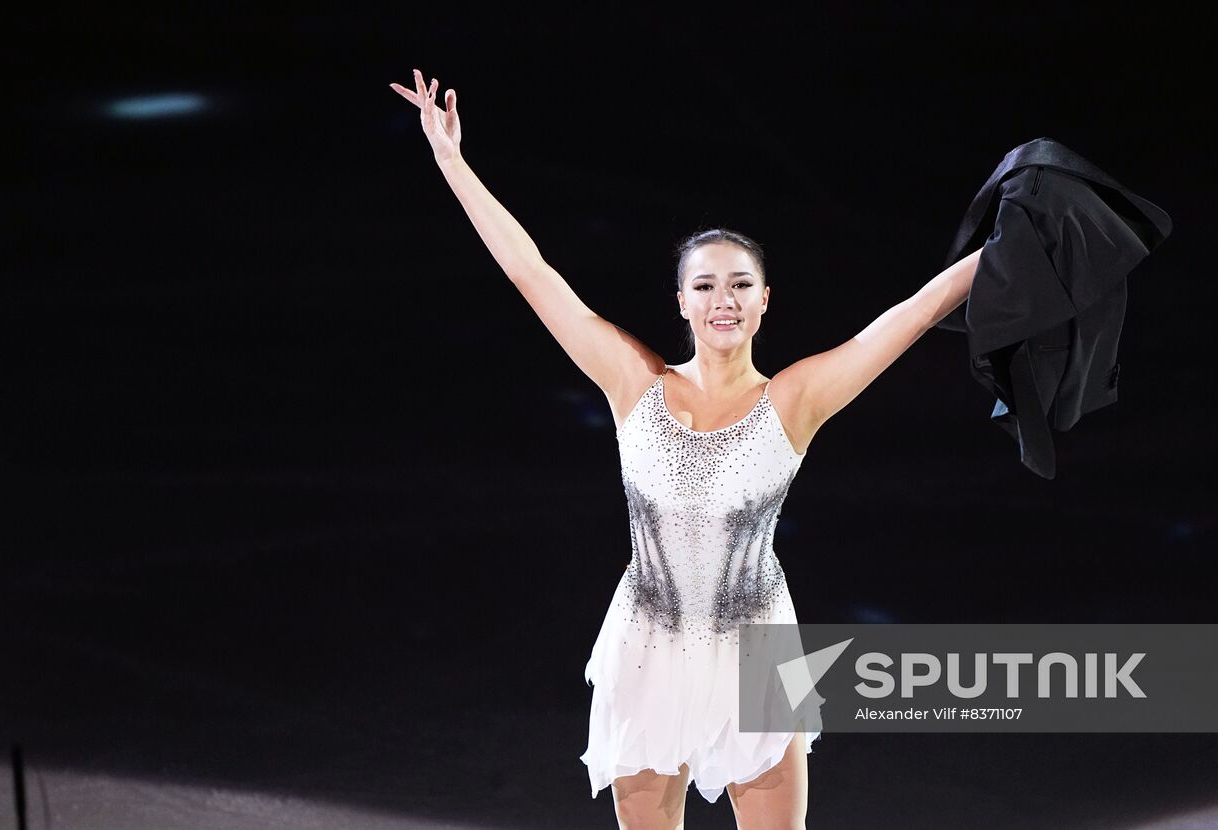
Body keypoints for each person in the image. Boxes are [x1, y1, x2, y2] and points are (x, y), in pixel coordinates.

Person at [391, 69, 981, 830]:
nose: (723, 300)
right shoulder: (632, 384)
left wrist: (996, 251)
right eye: (705, 287)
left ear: (765, 301)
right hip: (649, 642)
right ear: (681, 302)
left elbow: (909, 316)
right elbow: (532, 275)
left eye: (740, 285)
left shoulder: (794, 399)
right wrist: (452, 164)